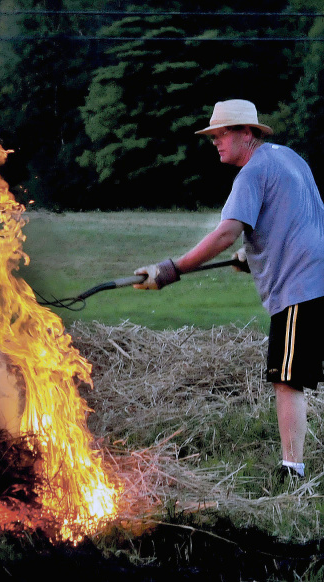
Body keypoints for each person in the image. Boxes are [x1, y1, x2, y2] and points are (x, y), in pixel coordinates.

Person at [134, 99, 324, 480]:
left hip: (300, 285)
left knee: (287, 378)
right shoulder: (287, 158)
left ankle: (293, 471)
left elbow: (225, 232)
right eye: (213, 136)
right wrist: (249, 255)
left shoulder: (251, 173)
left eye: (222, 134)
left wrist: (172, 269)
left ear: (247, 133)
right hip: (319, 276)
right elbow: (297, 214)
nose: (216, 142)